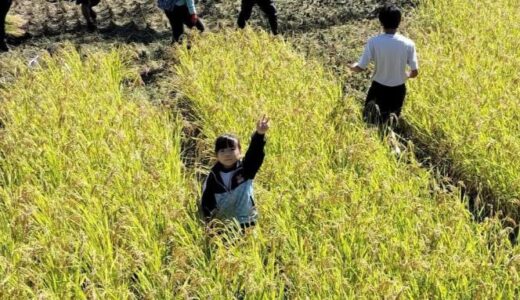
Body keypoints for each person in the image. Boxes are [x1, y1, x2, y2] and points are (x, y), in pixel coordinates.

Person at [349, 4, 419, 126]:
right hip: (398, 90)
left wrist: (350, 66)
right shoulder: (408, 44)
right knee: (391, 123)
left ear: (381, 22)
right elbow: (415, 72)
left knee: (369, 121)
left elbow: (360, 68)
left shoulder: (374, 42)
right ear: (399, 21)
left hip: (378, 89)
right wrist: (406, 75)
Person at [201, 116, 270, 230]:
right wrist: (209, 222)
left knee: (249, 246)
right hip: (223, 224)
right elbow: (206, 201)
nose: (227, 154)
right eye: (222, 150)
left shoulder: (246, 169)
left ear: (240, 151)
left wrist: (259, 134)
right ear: (216, 155)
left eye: (232, 149)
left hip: (247, 221)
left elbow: (255, 154)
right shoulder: (213, 177)